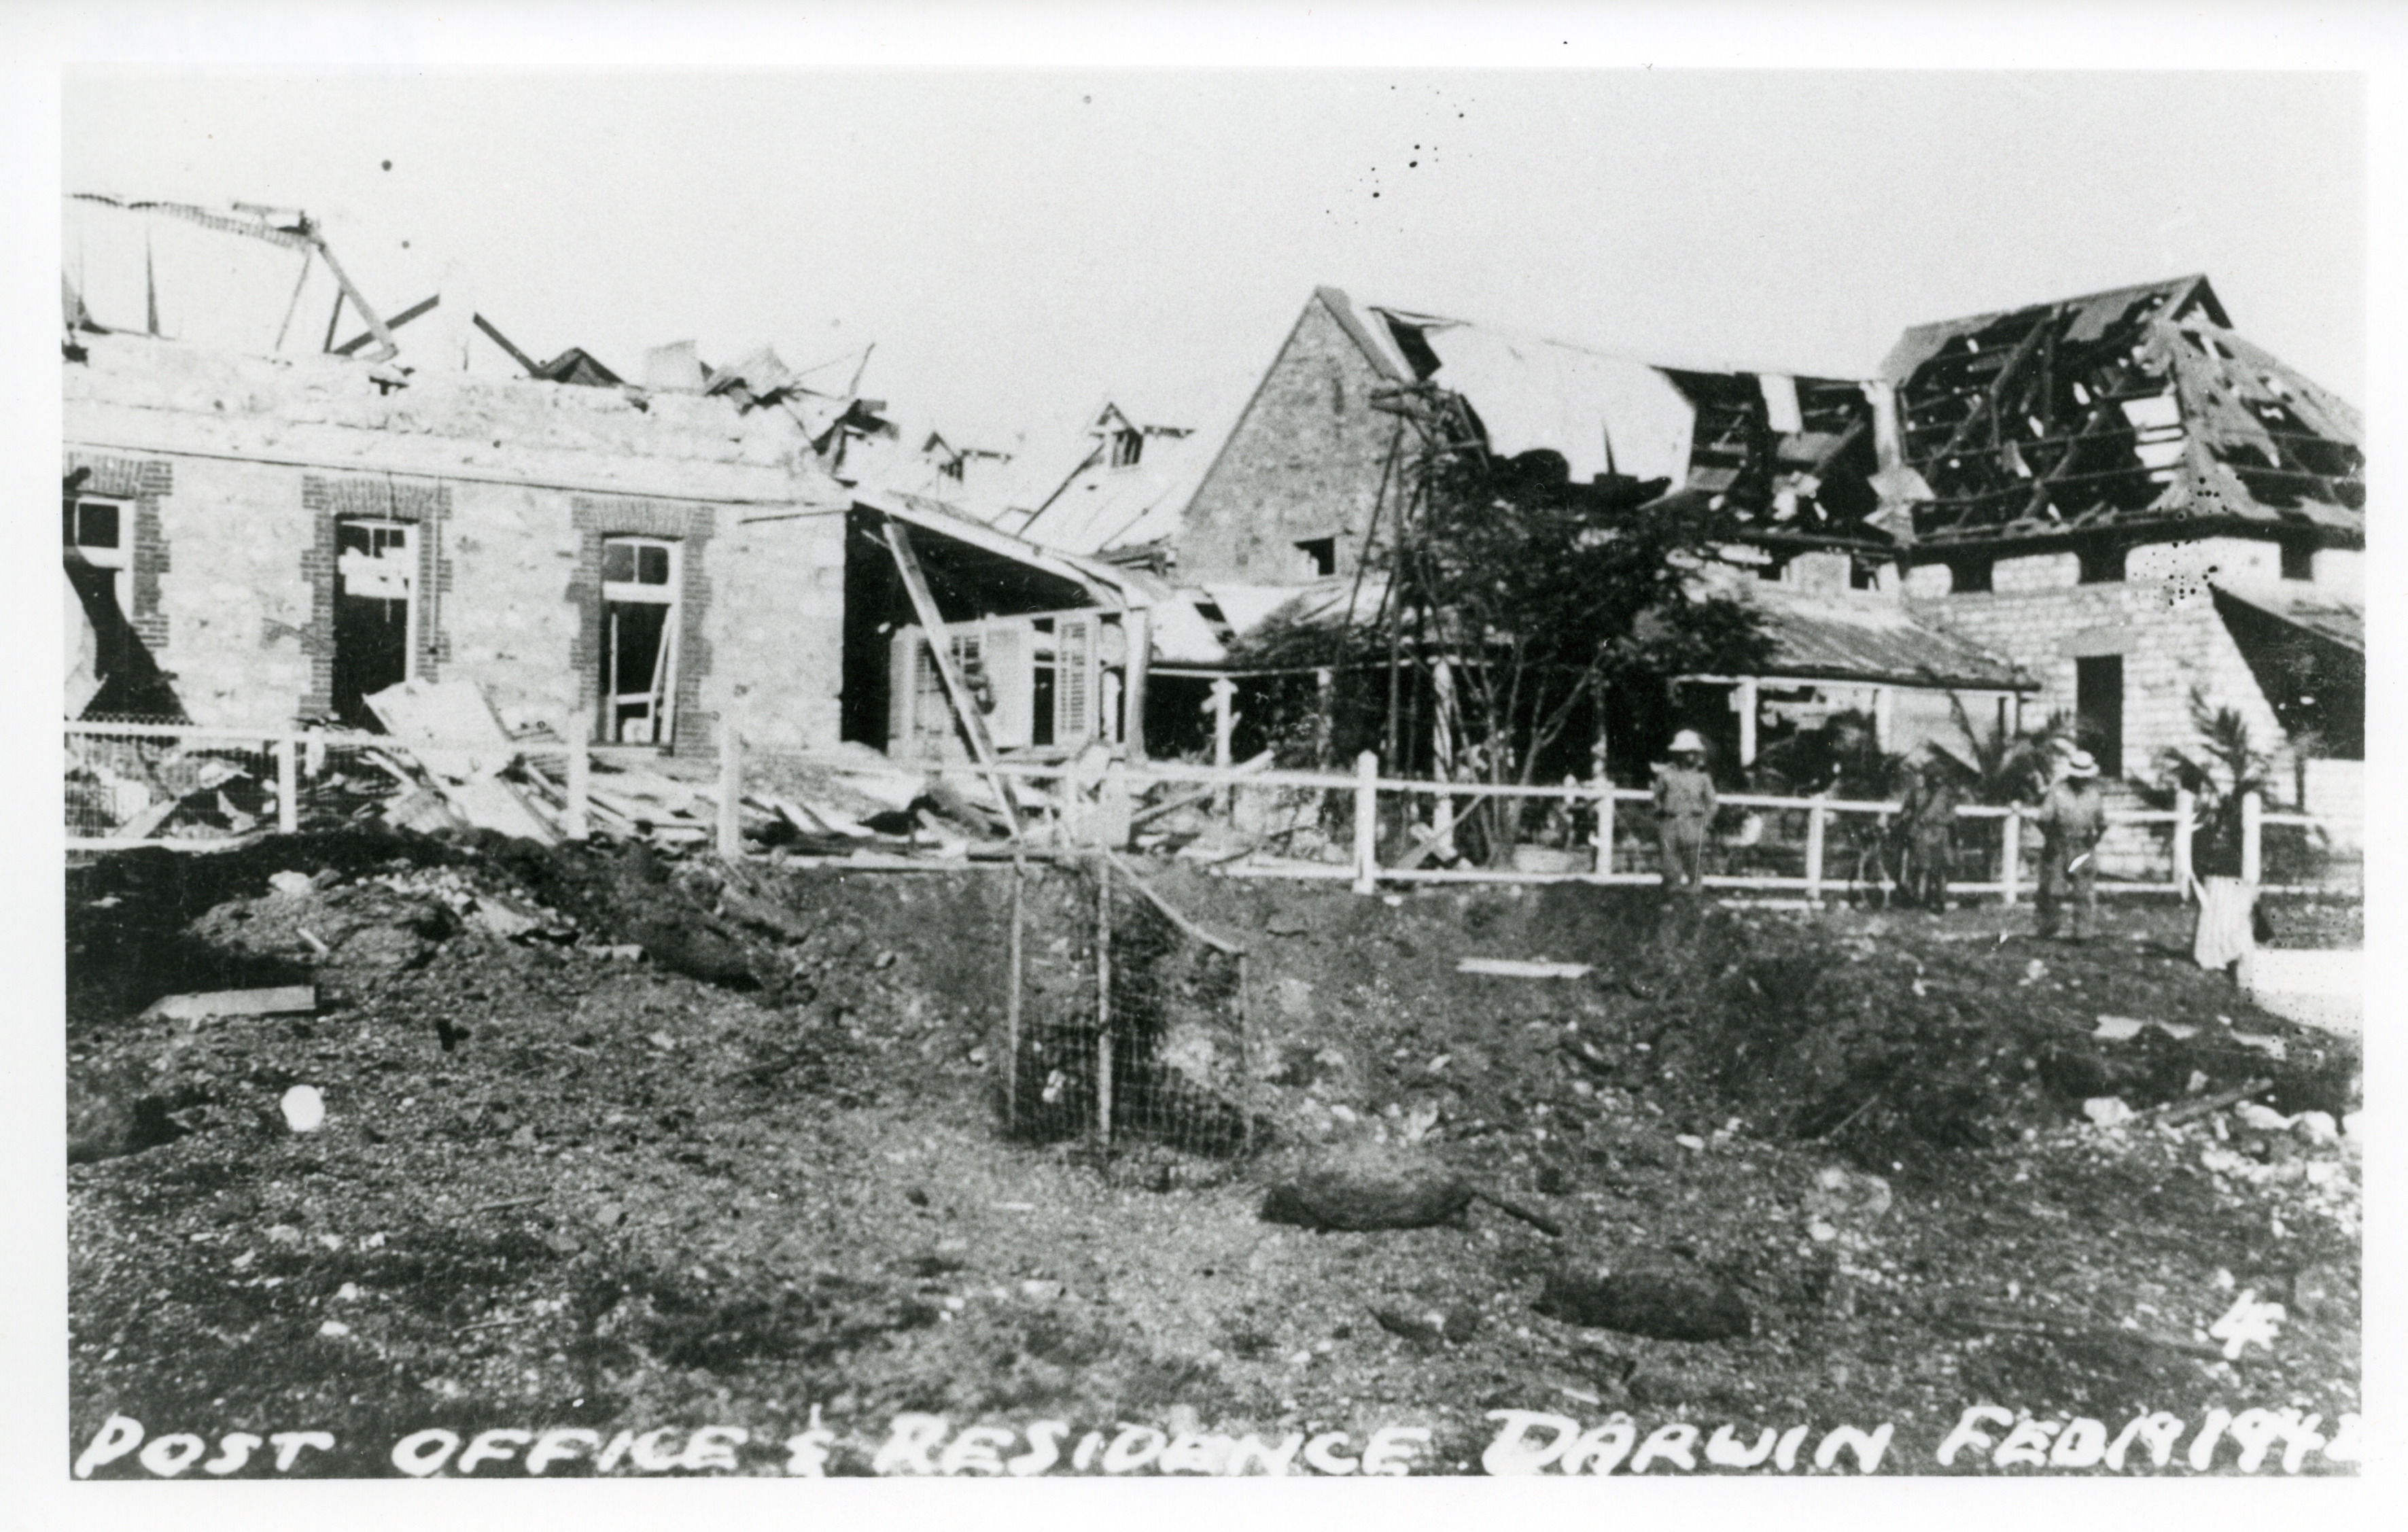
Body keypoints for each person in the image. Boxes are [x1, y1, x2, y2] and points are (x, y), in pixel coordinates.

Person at [2031, 748, 2107, 941]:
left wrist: (2093, 840)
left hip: (2083, 846)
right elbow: (2043, 820)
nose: (2081, 780)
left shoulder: (2094, 794)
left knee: (2084, 892)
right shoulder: (2058, 791)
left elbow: (2102, 823)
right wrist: (2052, 839)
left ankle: (2083, 934)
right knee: (2053, 891)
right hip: (2060, 844)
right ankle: (2048, 930)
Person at [1653, 729, 1716, 895]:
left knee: (1694, 868)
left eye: (1693, 752)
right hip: (1670, 824)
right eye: (1686, 752)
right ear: (1678, 754)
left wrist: (1705, 824)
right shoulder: (1666, 775)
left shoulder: (1703, 778)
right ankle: (1671, 904)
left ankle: (1693, 906)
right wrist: (1662, 815)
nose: (1690, 756)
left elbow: (1712, 803)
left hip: (1693, 825)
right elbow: (1657, 797)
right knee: (1669, 868)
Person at [1896, 758, 1961, 912]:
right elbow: (1908, 811)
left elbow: (1952, 815)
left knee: (1936, 870)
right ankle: (1925, 900)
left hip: (1936, 833)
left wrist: (1943, 823)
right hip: (1926, 832)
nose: (1937, 780)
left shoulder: (1944, 794)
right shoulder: (1921, 793)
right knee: (1926, 869)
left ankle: (1937, 900)